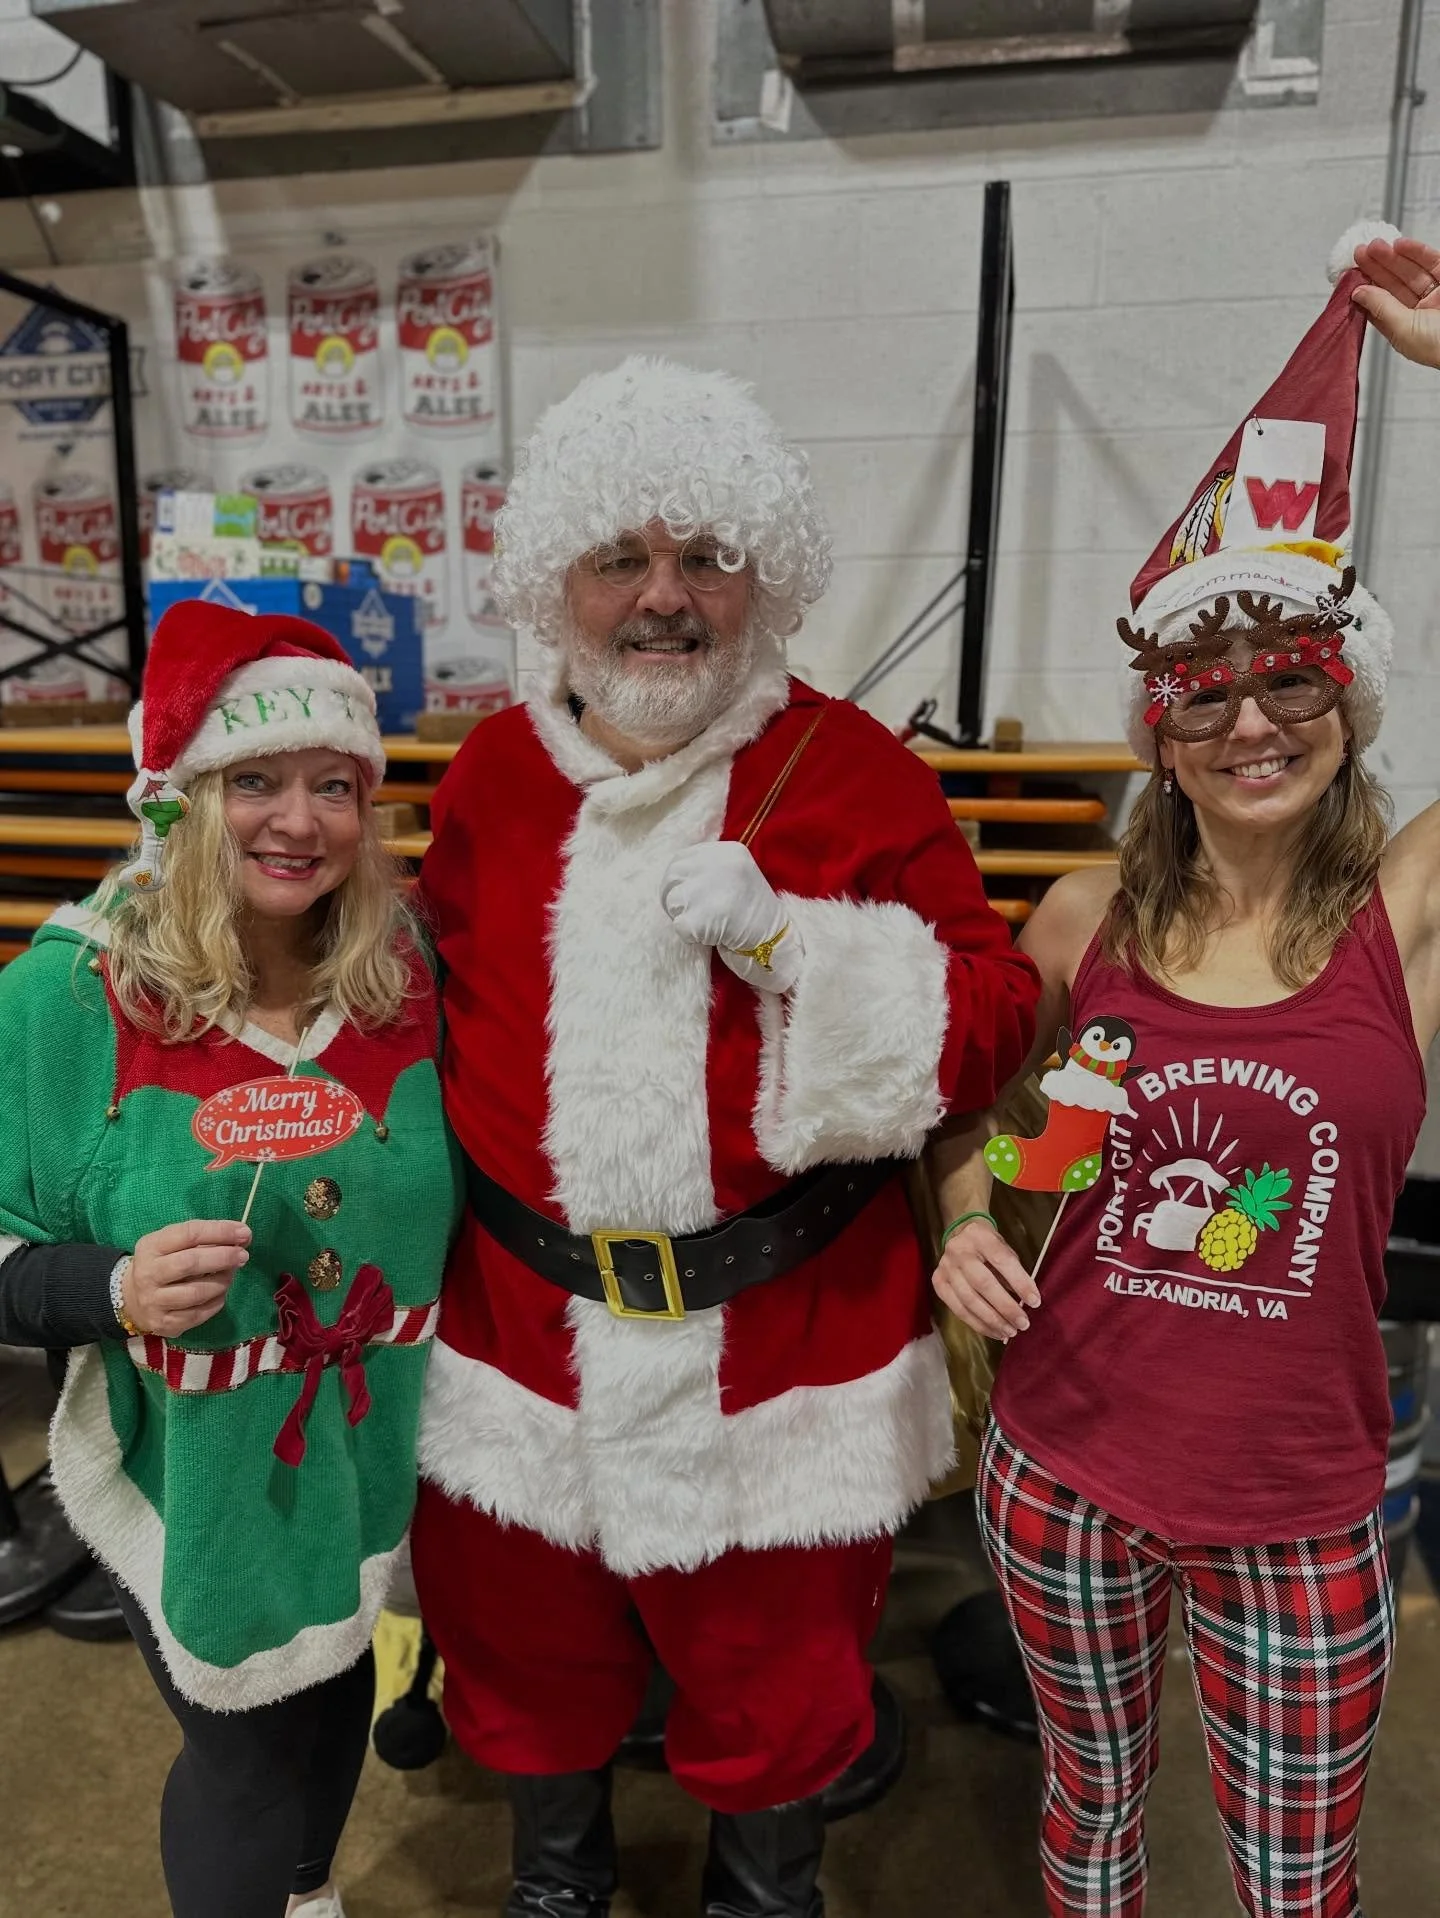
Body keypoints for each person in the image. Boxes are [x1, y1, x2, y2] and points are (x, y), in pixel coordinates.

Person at [412, 355, 1040, 1918]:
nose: (665, 597)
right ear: (560, 579)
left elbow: (990, 1016)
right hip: (519, 1343)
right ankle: (555, 1887)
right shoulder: (492, 776)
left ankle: (768, 1897)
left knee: (778, 1681)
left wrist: (801, 953)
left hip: (782, 1345)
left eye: (705, 554)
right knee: (524, 1653)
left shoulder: (854, 770)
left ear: (766, 569)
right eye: (622, 555)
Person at [930, 222, 1440, 1917]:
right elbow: (962, 1097)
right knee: (1089, 1817)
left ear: (1346, 699)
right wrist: (958, 1216)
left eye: (1290, 674)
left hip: (1300, 1507)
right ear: (1160, 723)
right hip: (1063, 1469)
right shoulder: (1083, 914)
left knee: (1299, 1882)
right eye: (1204, 688)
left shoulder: (1403, 914)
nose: (1251, 720)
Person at [0, 601, 462, 1918]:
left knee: (332, 1701)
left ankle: (307, 1899)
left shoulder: (403, 973)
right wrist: (112, 1288)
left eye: (333, 784)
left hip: (366, 1453)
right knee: (246, 1747)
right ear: (182, 797)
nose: (298, 821)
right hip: (193, 1468)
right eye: (253, 780)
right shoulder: (71, 994)